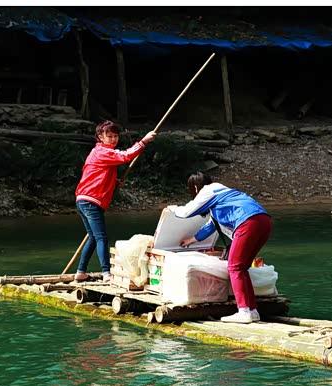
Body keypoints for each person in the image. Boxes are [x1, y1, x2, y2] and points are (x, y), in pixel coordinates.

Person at [171, 172, 272, 324]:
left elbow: (186, 212)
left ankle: (243, 312)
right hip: (263, 222)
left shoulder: (207, 191)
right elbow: (211, 226)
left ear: (196, 188)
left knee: (234, 267)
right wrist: (191, 240)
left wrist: (173, 209)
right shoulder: (223, 193)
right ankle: (252, 311)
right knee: (242, 268)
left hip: (247, 222)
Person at [74, 121, 156, 282]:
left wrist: (114, 182)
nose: (113, 139)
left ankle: (80, 272)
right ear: (100, 137)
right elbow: (125, 156)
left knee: (93, 237)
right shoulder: (102, 152)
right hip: (91, 200)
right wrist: (144, 141)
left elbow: (96, 173)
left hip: (83, 199)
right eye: (109, 136)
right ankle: (107, 274)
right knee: (101, 238)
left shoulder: (98, 152)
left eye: (115, 136)